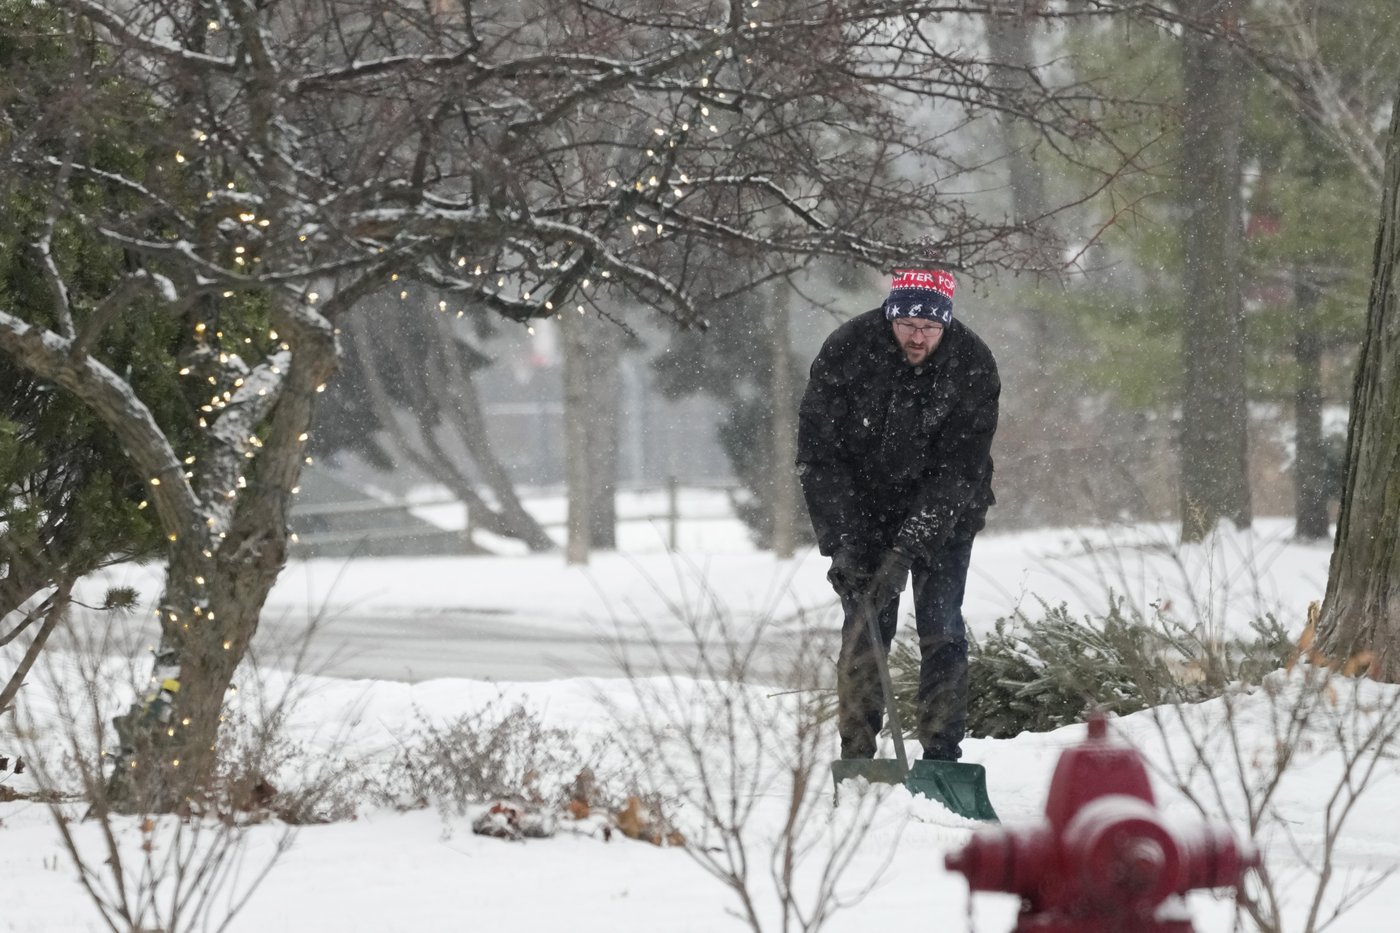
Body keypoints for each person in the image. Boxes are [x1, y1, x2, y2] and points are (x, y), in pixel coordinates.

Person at [796, 269, 999, 762]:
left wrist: (908, 550)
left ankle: (942, 754)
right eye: (907, 322)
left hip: (946, 515)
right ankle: (859, 753)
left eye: (930, 327)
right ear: (891, 314)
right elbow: (820, 457)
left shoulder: (972, 365)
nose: (917, 336)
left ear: (945, 325)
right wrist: (843, 543)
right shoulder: (847, 351)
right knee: (865, 629)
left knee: (942, 628)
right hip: (863, 512)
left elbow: (959, 470)